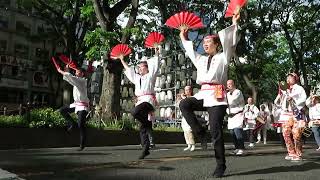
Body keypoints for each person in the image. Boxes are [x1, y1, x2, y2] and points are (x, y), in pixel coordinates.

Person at [178, 13, 240, 178]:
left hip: (217, 96)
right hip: (203, 94)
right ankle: (199, 132)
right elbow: (191, 51)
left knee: (216, 130)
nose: (205, 45)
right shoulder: (200, 59)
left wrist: (234, 23)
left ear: (217, 45)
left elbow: (231, 44)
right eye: (204, 43)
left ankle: (221, 164)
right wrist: (184, 36)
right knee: (184, 104)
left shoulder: (223, 57)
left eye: (208, 43)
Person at [119, 48, 160, 159]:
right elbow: (129, 70)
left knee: (135, 112)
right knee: (142, 127)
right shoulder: (137, 78)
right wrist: (122, 60)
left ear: (147, 68)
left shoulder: (150, 76)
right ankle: (145, 148)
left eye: (142, 67)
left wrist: (157, 53)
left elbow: (155, 65)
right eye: (139, 67)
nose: (140, 69)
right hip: (140, 101)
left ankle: (147, 129)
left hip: (148, 100)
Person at [57, 66, 89, 151]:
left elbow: (71, 78)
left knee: (81, 125)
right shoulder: (76, 81)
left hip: (82, 106)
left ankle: (82, 145)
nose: (76, 73)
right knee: (62, 110)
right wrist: (66, 71)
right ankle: (72, 123)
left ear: (82, 74)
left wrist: (61, 71)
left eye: (78, 72)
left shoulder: (82, 81)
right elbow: (69, 79)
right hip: (76, 105)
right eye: (76, 72)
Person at [279, 73, 307, 161]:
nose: (288, 79)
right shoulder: (284, 90)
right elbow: (280, 101)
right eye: (287, 77)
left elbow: (303, 99)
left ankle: (298, 153)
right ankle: (291, 152)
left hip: (297, 113)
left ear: (295, 79)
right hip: (286, 114)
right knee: (286, 133)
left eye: (290, 77)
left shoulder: (299, 88)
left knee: (296, 134)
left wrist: (293, 100)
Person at [226, 79, 245, 155]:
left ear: (234, 84)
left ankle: (241, 148)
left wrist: (225, 99)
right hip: (230, 116)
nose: (229, 85)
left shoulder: (238, 92)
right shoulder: (227, 94)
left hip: (237, 114)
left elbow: (232, 101)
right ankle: (236, 148)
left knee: (237, 131)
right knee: (232, 132)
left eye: (230, 84)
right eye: (228, 84)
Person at [177, 85, 196, 151]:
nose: (187, 91)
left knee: (189, 130)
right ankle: (188, 144)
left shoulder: (192, 98)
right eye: (186, 90)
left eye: (188, 90)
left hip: (190, 115)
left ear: (191, 91)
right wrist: (179, 99)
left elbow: (188, 105)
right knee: (185, 131)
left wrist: (184, 98)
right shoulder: (184, 98)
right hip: (184, 117)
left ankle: (193, 144)